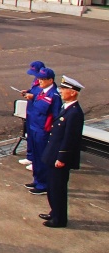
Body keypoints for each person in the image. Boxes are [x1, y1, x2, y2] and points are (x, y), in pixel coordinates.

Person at [40, 76, 85, 228]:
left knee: (58, 188)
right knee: (52, 187)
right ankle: (54, 212)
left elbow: (70, 138)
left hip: (59, 157)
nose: (60, 91)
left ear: (72, 93)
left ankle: (59, 219)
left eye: (64, 89)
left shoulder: (74, 113)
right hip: (52, 153)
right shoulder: (66, 108)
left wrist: (62, 157)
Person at [23, 67, 62, 195]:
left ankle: (43, 184)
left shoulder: (54, 95)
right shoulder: (42, 91)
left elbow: (56, 115)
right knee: (35, 156)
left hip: (42, 130)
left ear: (50, 80)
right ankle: (37, 179)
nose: (40, 81)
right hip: (34, 127)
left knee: (42, 157)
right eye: (39, 78)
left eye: (43, 79)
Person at [18, 60, 46, 168]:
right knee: (30, 135)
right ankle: (30, 157)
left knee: (38, 139)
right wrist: (28, 91)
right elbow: (34, 90)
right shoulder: (36, 80)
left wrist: (32, 96)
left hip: (37, 113)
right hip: (31, 110)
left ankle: (37, 162)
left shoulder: (45, 82)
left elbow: (44, 97)